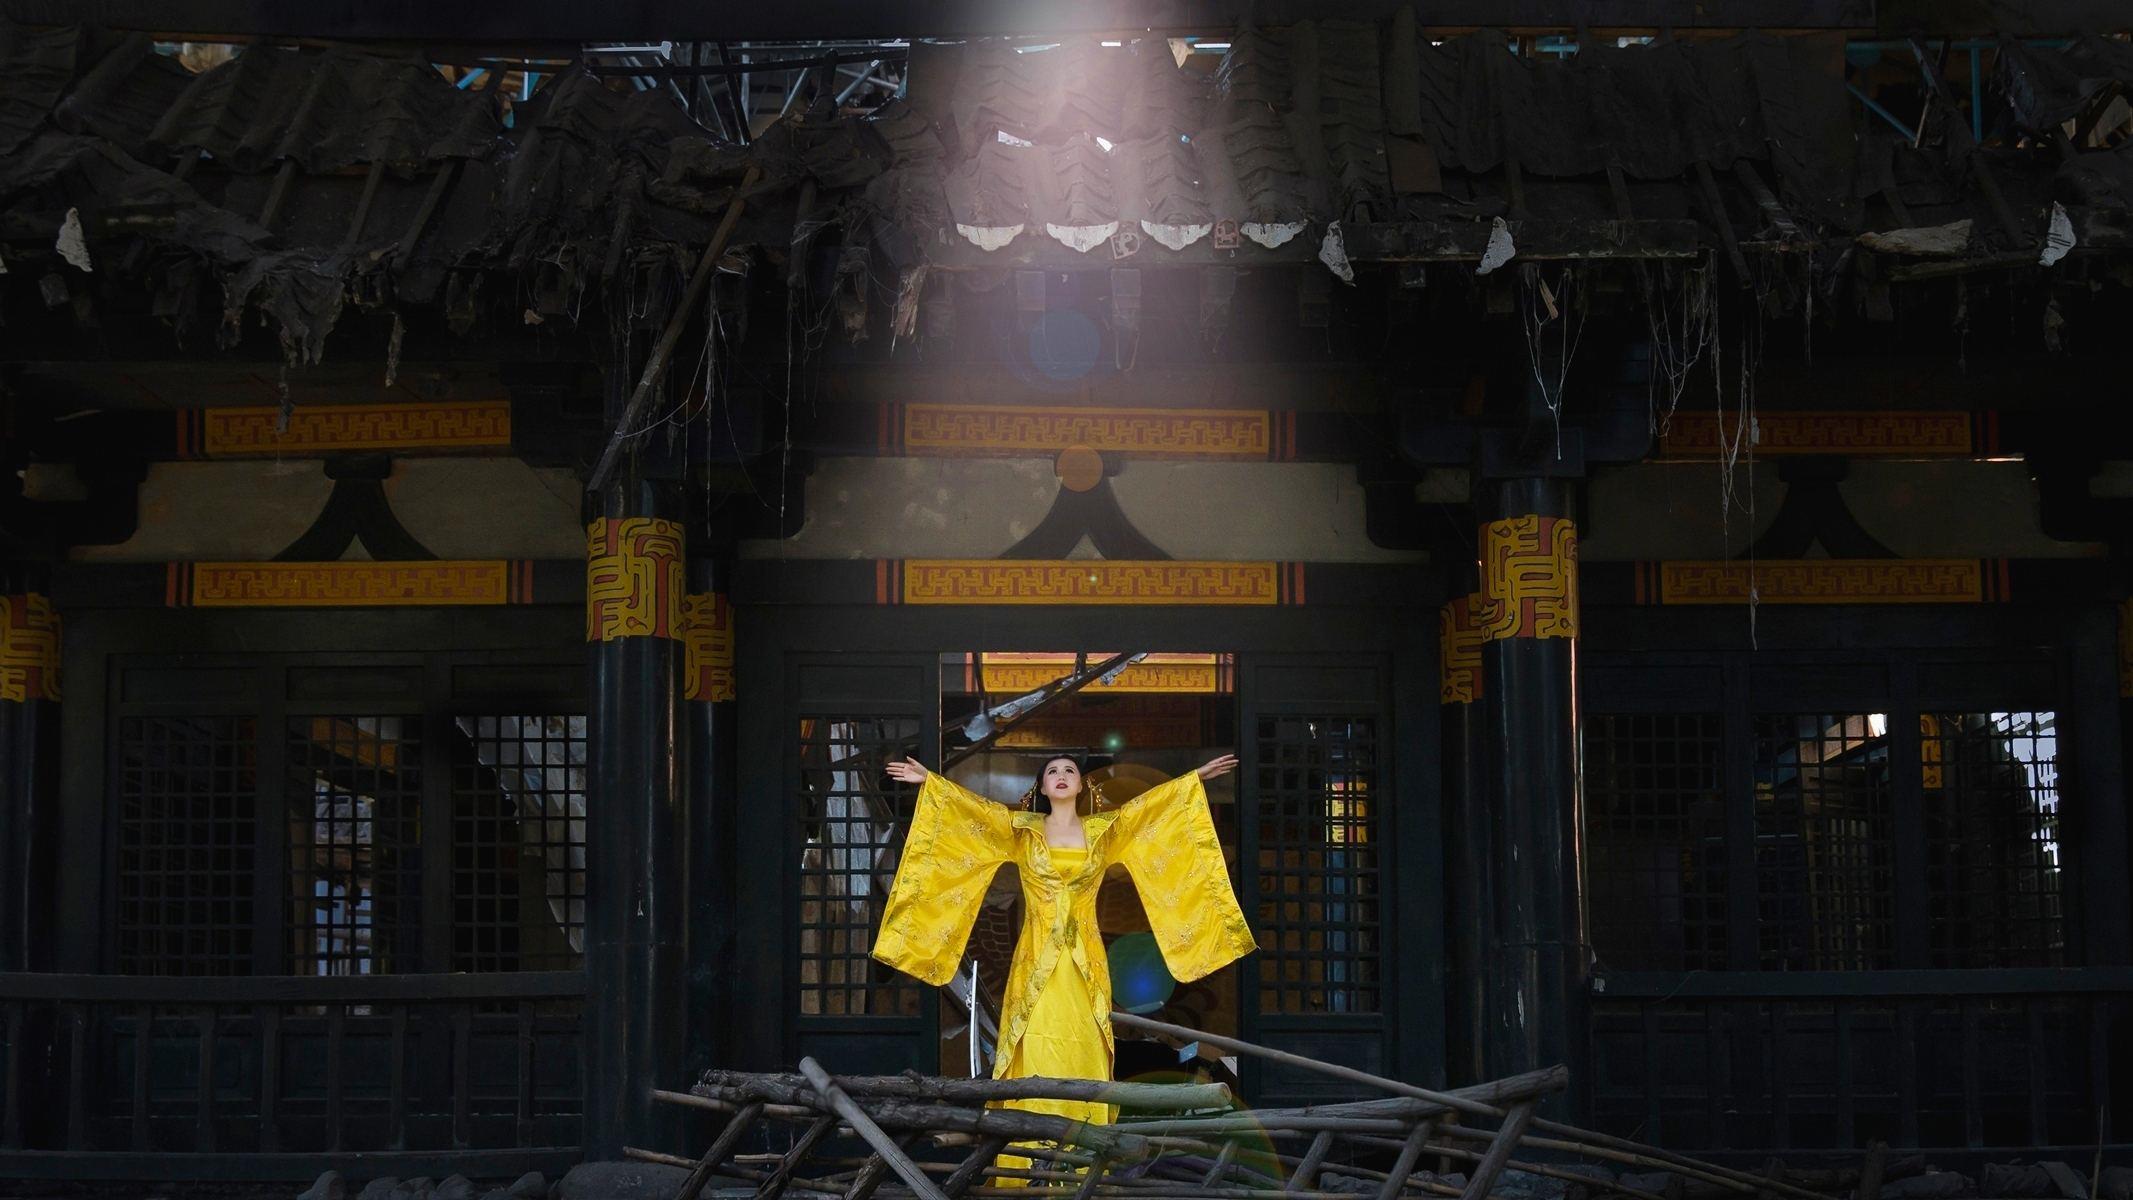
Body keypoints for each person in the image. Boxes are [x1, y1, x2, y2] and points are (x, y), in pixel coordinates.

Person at [871, 751, 1256, 1162]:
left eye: (1069, 770)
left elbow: (1150, 812)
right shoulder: (1021, 830)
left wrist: (1195, 778)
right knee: (1034, 1047)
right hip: (1035, 961)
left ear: (1081, 785)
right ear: (1041, 786)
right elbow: (973, 812)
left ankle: (1085, 1160)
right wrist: (930, 782)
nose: (1060, 775)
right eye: (1052, 771)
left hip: (1085, 961)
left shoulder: (1104, 830)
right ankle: (1026, 1156)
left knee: (1084, 1049)